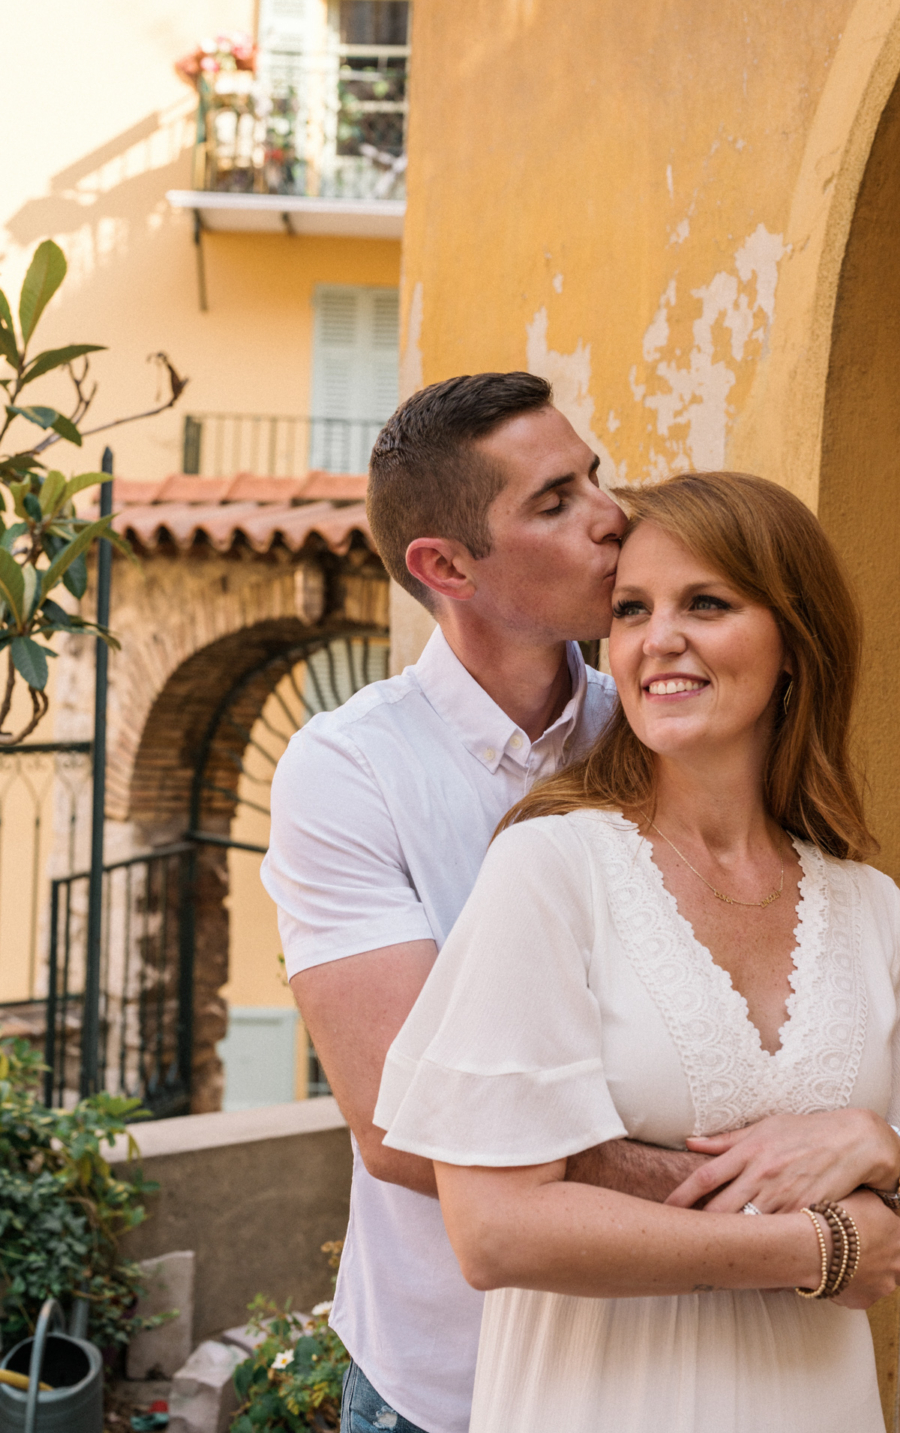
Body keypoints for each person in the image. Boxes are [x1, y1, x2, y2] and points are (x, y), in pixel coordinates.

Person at [374, 471, 900, 1433]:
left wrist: (881, 1149)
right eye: (630, 610)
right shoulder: (553, 867)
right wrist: (811, 1248)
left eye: (707, 603)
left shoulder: (871, 909)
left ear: (795, 643)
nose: (659, 639)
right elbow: (493, 1231)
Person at [261, 374, 711, 1433]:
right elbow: (400, 1123)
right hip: (451, 1383)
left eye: (593, 477)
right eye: (554, 502)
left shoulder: (660, 730)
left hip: (666, 1362)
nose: (613, 518)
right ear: (444, 566)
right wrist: (732, 1196)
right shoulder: (349, 770)